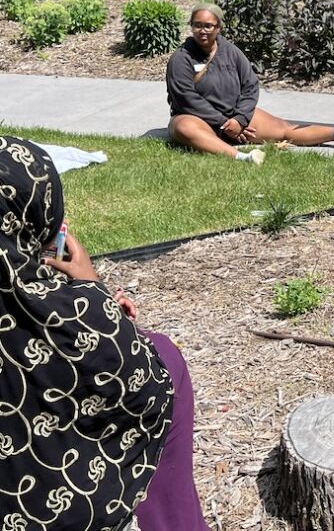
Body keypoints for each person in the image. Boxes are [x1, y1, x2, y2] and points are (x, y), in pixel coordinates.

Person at [0, 136, 209, 530]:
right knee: (164, 360)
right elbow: (124, 375)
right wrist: (95, 299)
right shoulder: (86, 320)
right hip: (63, 505)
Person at [167, 4, 334, 162]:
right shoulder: (181, 58)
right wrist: (222, 123)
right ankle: (241, 157)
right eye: (197, 25)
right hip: (199, 119)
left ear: (218, 27)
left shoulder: (231, 51)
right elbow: (186, 98)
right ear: (191, 26)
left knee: (284, 129)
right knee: (185, 128)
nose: (202, 30)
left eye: (208, 26)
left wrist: (239, 119)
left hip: (234, 117)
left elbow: (250, 85)